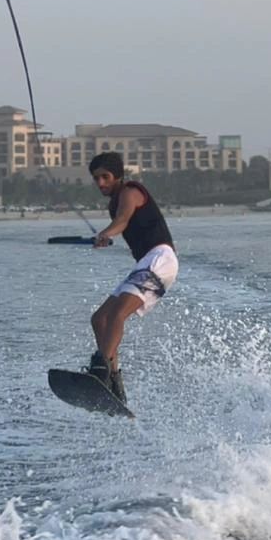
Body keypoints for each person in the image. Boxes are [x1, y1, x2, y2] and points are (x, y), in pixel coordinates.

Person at [86, 152, 178, 404]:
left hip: (161, 259)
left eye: (105, 177)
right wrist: (106, 235)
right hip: (147, 263)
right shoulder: (114, 203)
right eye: (96, 179)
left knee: (118, 314)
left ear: (118, 176)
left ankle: (100, 369)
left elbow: (123, 220)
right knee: (99, 319)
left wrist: (106, 233)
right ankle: (114, 381)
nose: (101, 183)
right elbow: (121, 221)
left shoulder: (130, 191)